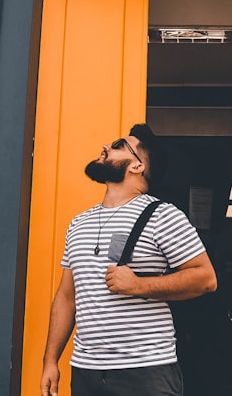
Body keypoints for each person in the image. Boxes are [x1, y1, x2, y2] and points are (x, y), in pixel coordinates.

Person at [40, 123, 217, 396]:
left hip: (145, 372)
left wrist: (138, 286)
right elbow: (67, 296)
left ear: (137, 166)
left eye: (118, 145)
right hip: (86, 371)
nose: (106, 147)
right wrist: (50, 361)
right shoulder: (78, 224)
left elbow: (205, 278)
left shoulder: (163, 216)